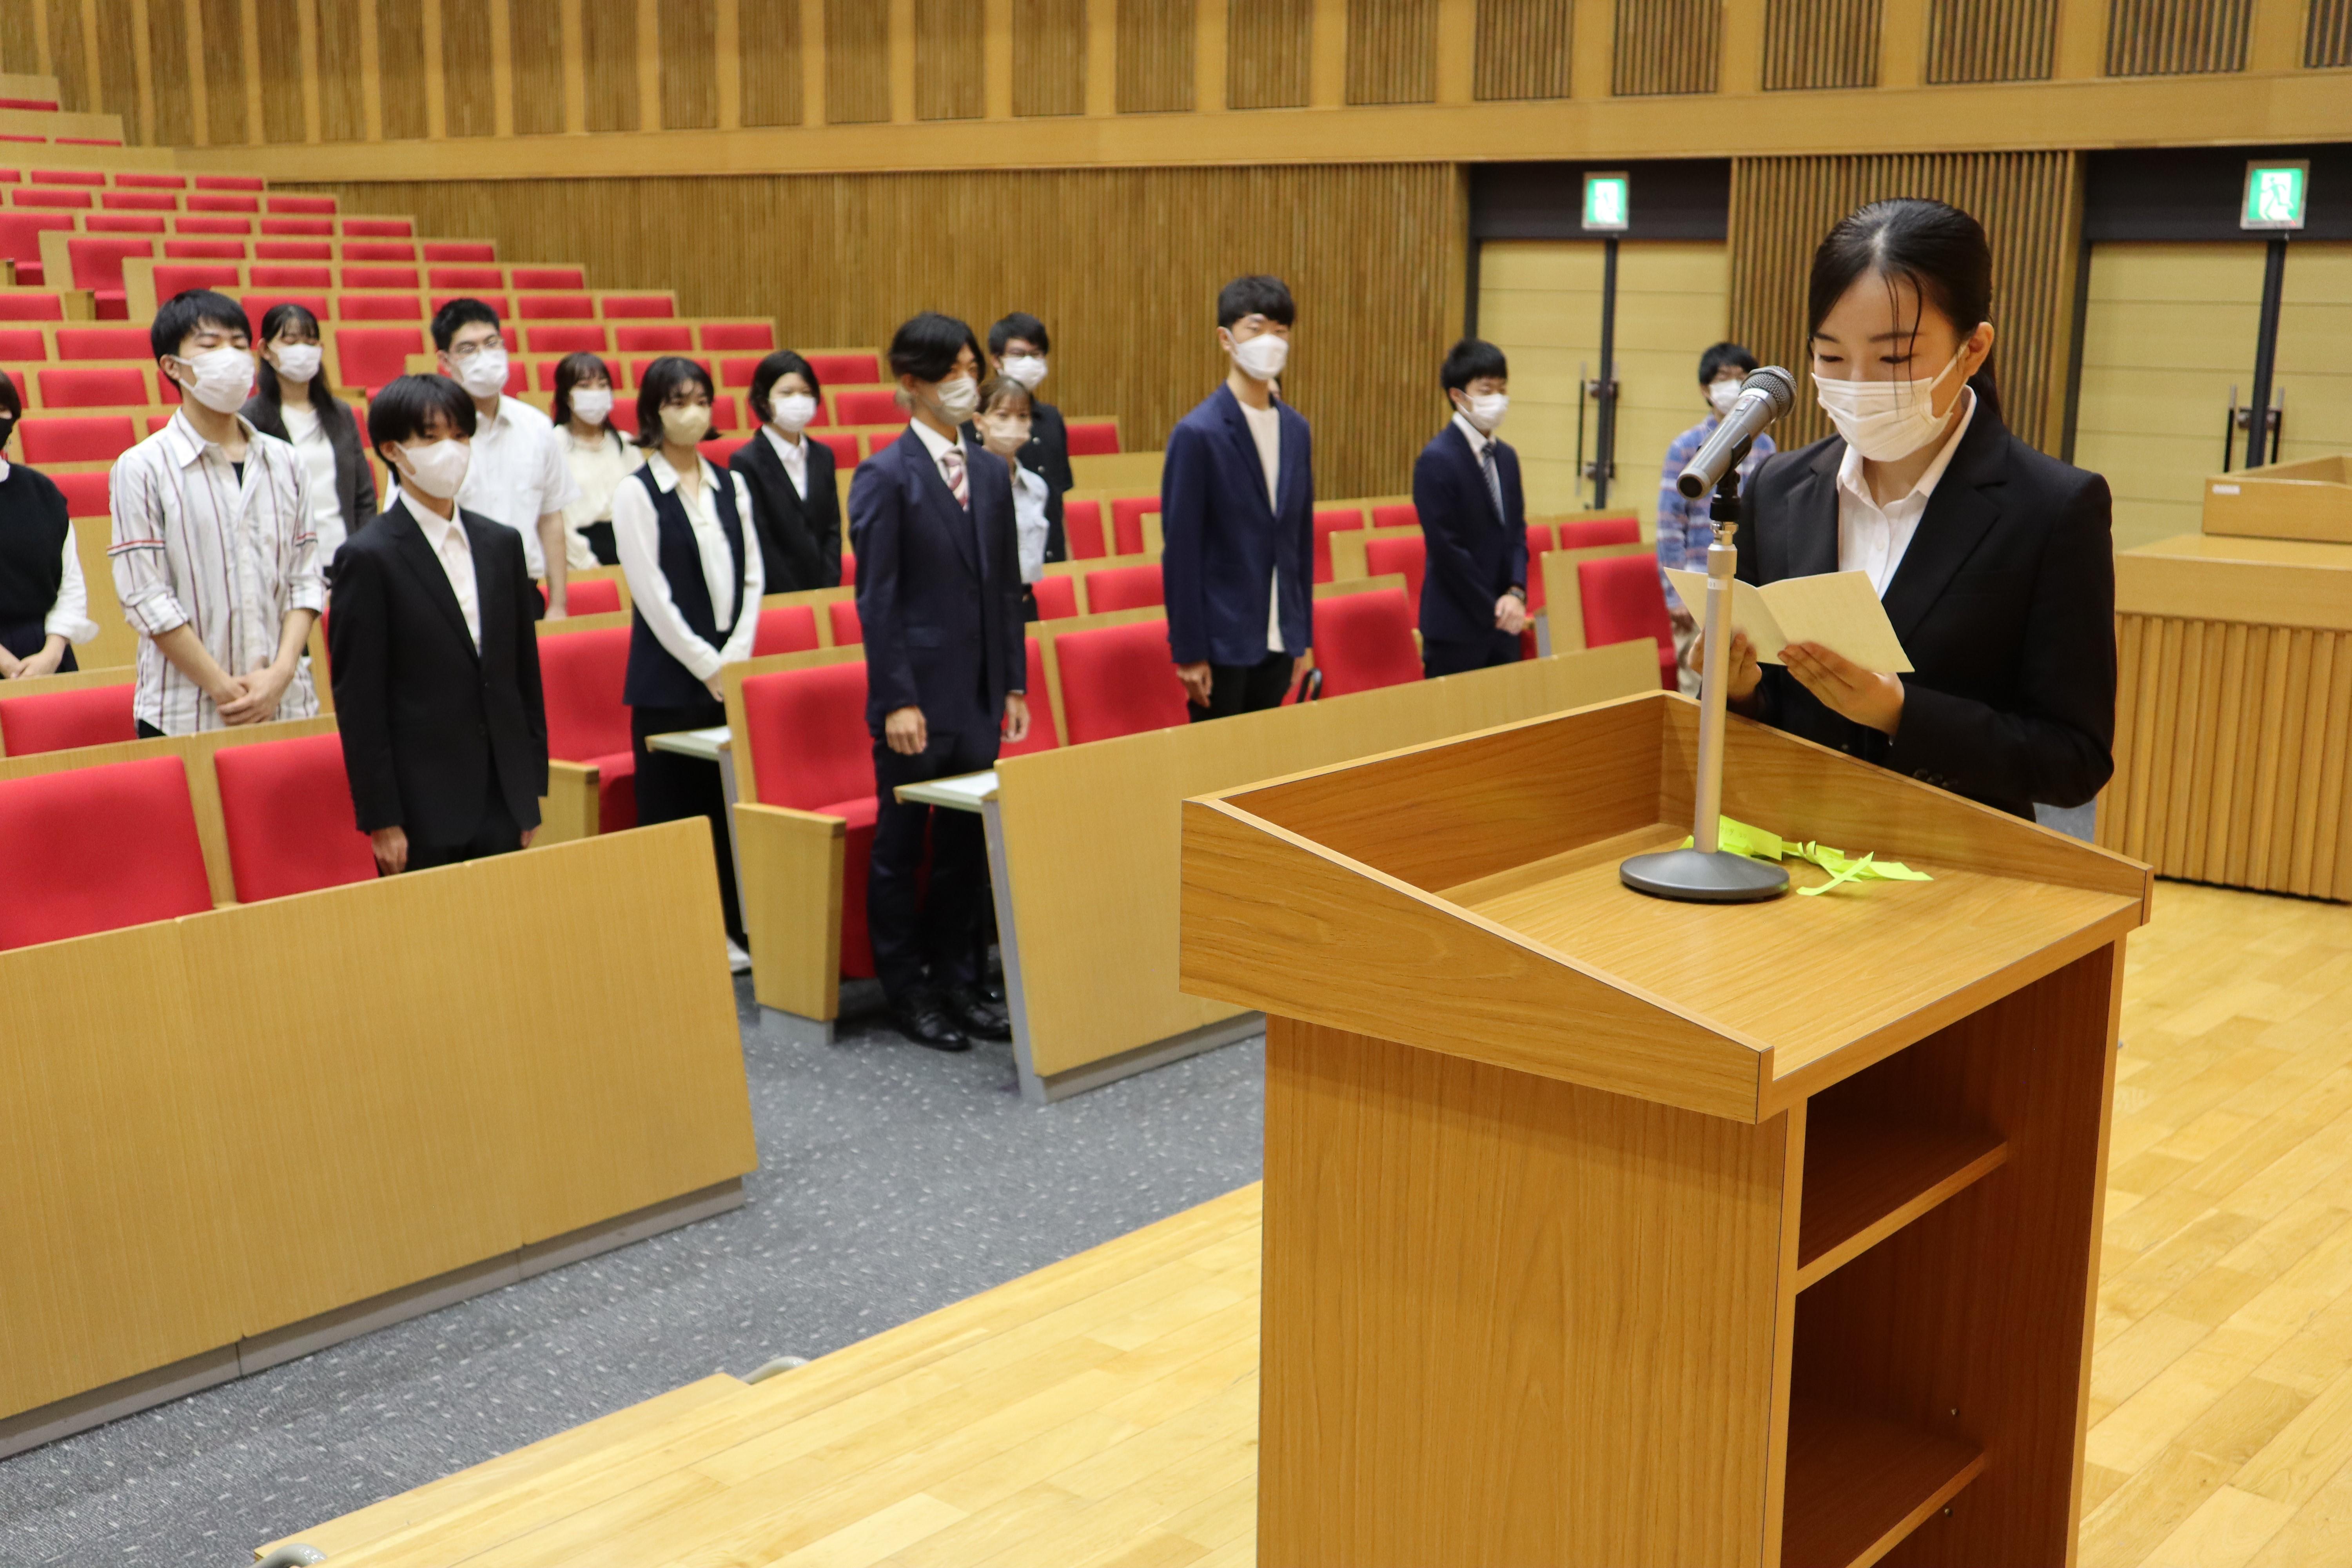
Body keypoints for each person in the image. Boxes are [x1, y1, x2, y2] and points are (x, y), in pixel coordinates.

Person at [1723, 197, 2115, 820]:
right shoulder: (1780, 485)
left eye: (1895, 358)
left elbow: (2075, 761)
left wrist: (1900, 712)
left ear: (1974, 349)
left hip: (1955, 874)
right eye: (1830, 357)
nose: (1857, 383)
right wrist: (1737, 690)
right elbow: (1764, 708)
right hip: (1787, 854)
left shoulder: (2053, 508)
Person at [850, 313, 1029, 1051]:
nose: (967, 382)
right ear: (911, 384)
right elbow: (878, 600)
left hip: (980, 693)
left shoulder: (988, 470)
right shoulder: (884, 475)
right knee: (901, 845)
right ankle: (908, 989)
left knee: (962, 847)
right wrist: (896, 697)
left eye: (970, 367)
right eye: (951, 371)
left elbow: (1005, 590)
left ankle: (959, 978)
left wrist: (1014, 684)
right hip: (915, 700)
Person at [329, 375, 547, 874]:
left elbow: (522, 674)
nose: (449, 450)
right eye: (430, 438)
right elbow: (360, 702)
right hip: (420, 806)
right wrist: (382, 818)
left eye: (460, 436)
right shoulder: (367, 557)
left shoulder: (502, 544)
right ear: (394, 451)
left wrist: (528, 787)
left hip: (501, 794)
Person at [109, 289, 323, 736]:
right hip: (187, 711)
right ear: (172, 366)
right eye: (210, 347)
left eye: (239, 345)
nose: (230, 358)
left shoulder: (287, 461)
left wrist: (281, 675)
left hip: (287, 701)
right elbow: (147, 599)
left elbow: (306, 580)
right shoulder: (142, 467)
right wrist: (225, 688)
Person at [612, 356, 764, 967]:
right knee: (682, 811)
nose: (692, 412)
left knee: (728, 807)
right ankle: (691, 935)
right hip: (671, 680)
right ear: (654, 412)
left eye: (700, 398)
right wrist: (708, 664)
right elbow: (651, 595)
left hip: (731, 670)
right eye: (677, 401)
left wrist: (737, 657)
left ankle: (739, 923)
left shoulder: (733, 483)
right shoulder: (637, 491)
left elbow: (754, 577)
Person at [1161, 274, 1314, 719]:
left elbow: (1299, 539)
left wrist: (1300, 633)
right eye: (1257, 327)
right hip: (1221, 641)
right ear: (1226, 339)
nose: (1271, 340)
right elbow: (1182, 550)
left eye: (1281, 331)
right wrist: (1188, 650)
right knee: (1215, 776)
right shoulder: (1197, 433)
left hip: (1279, 635)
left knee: (1264, 775)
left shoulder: (1296, 429)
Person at [431, 298, 580, 615]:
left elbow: (551, 518)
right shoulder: (430, 432)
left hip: (524, 593)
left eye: (491, 343)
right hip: (454, 596)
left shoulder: (537, 427)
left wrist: (559, 603)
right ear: (445, 360)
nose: (484, 356)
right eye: (468, 349)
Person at [1659, 342, 1776, 694]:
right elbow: (1668, 525)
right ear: (1706, 389)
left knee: (1743, 685)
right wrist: (1674, 594)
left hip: (1749, 588)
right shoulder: (1685, 446)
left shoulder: (1766, 447)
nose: (1733, 386)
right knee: (1696, 684)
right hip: (1697, 585)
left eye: (1742, 378)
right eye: (1724, 378)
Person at [1412, 338, 1528, 677]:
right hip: (1456, 626)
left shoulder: (1506, 457)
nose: (1498, 399)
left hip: (1506, 625)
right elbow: (1447, 549)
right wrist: (1493, 608)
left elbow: (1517, 533)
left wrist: (1516, 593)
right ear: (1457, 395)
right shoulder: (1436, 459)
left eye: (1502, 389)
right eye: (1486, 389)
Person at [241, 302, 377, 570]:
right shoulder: (249, 418)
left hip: (347, 558)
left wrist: (364, 552)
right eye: (290, 342)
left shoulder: (341, 413)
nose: (302, 350)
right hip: (286, 565)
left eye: (310, 342)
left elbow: (364, 496)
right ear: (266, 350)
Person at [0, 370, 99, 678]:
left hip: (47, 655)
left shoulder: (42, 491)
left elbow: (70, 583)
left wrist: (52, 653)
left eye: (1, 408)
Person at [729, 350, 842, 592]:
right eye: (787, 393)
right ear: (763, 400)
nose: (798, 401)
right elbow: (761, 540)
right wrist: (797, 598)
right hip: (775, 596)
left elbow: (832, 529)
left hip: (824, 591)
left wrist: (827, 588)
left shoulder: (823, 456)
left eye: (806, 393)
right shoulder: (745, 462)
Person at [983, 312, 1074, 563]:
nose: (1029, 362)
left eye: (1036, 355)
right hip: (1005, 560)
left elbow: (1059, 499)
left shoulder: (1052, 418)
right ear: (997, 360)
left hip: (1052, 555)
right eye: (1018, 354)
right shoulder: (977, 421)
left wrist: (1069, 557)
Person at [551, 352, 641, 568]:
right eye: (585, 386)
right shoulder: (554, 444)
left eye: (603, 385)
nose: (596, 393)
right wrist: (587, 563)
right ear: (566, 396)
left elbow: (643, 504)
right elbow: (553, 515)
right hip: (578, 556)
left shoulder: (625, 444)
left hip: (630, 550)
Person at [974, 374, 1052, 618]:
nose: (1014, 424)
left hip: (1025, 603)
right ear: (979, 421)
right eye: (1002, 416)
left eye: (1023, 416)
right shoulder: (963, 482)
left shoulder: (1036, 486)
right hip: (980, 608)